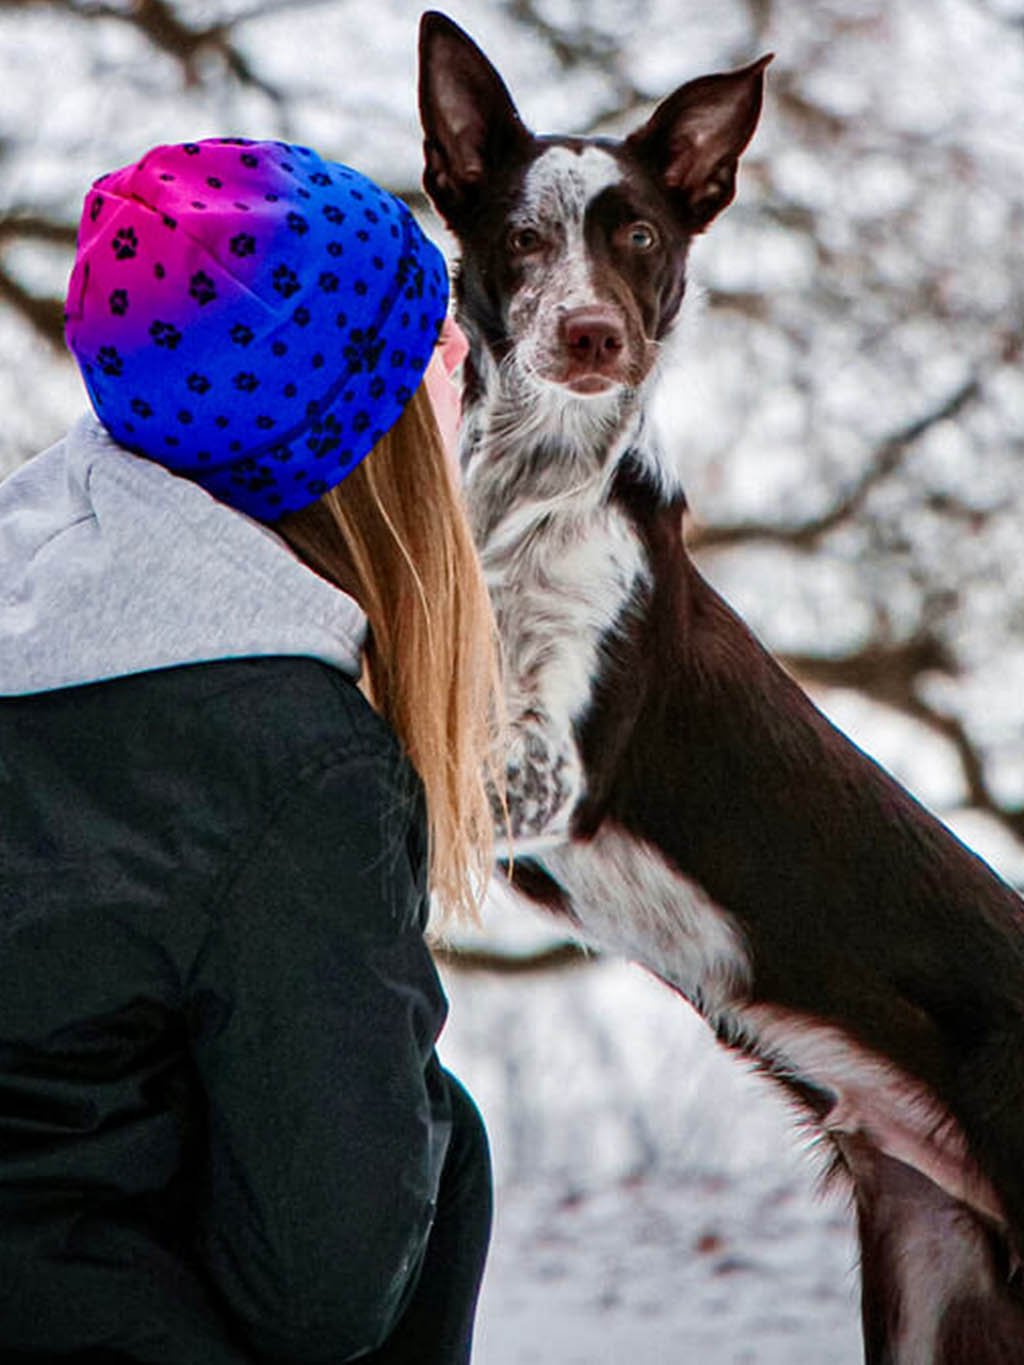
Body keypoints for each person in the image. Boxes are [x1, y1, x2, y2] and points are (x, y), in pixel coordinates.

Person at [0, 138, 503, 1363]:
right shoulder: (295, 770)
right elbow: (327, 1293)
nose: (460, 355)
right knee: (445, 1140)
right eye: (425, 333)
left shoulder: (34, 589)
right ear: (348, 433)